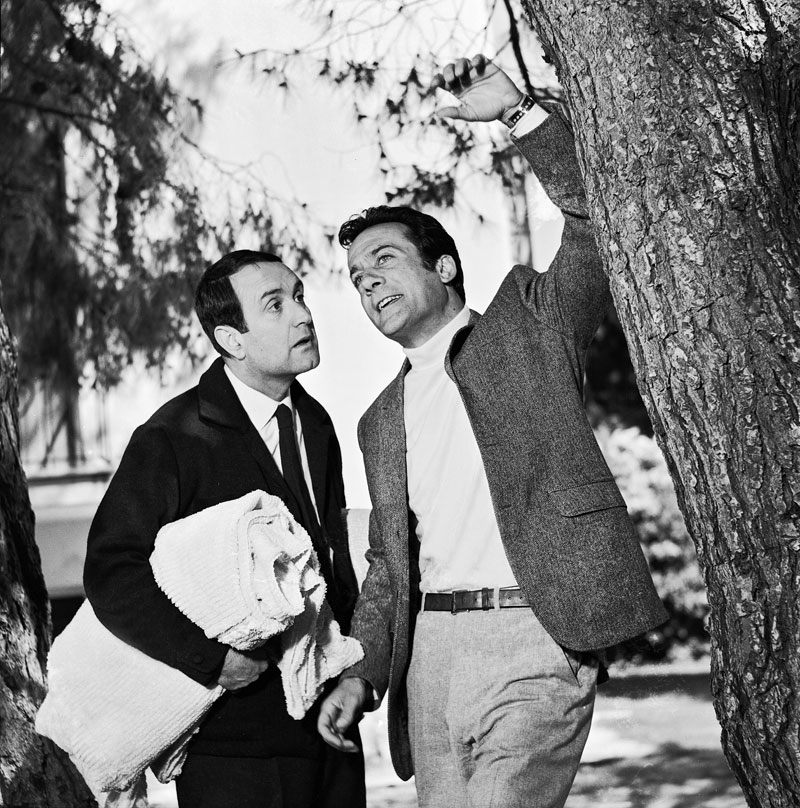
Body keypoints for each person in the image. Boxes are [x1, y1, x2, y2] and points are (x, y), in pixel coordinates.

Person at [317, 56, 668, 808]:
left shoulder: (530, 325)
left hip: (533, 635)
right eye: (358, 277)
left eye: (384, 260)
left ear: (444, 266)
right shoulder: (378, 420)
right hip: (430, 659)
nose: (368, 281)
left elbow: (594, 223)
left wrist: (520, 115)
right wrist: (363, 670)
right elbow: (388, 567)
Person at [84, 250, 365, 808]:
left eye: (299, 296)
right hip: (235, 752)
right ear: (232, 339)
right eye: (275, 305)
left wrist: (355, 673)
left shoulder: (316, 423)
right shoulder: (171, 437)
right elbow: (112, 572)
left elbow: (329, 560)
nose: (303, 315)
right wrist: (210, 661)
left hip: (331, 731)